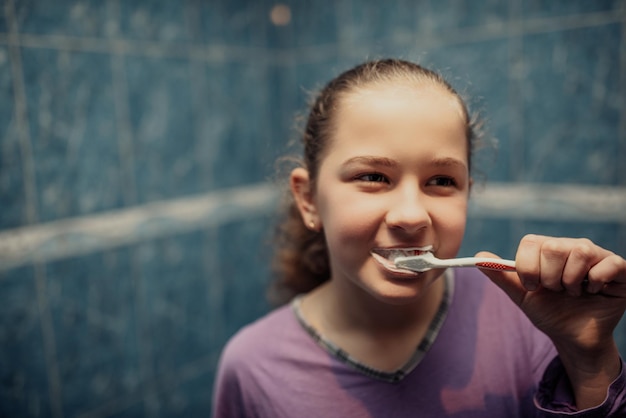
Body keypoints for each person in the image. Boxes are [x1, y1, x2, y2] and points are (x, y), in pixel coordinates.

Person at [212, 58, 626, 417]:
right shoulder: (251, 367)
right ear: (308, 200)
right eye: (373, 177)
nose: (411, 215)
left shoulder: (533, 323)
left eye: (442, 180)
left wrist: (588, 361)